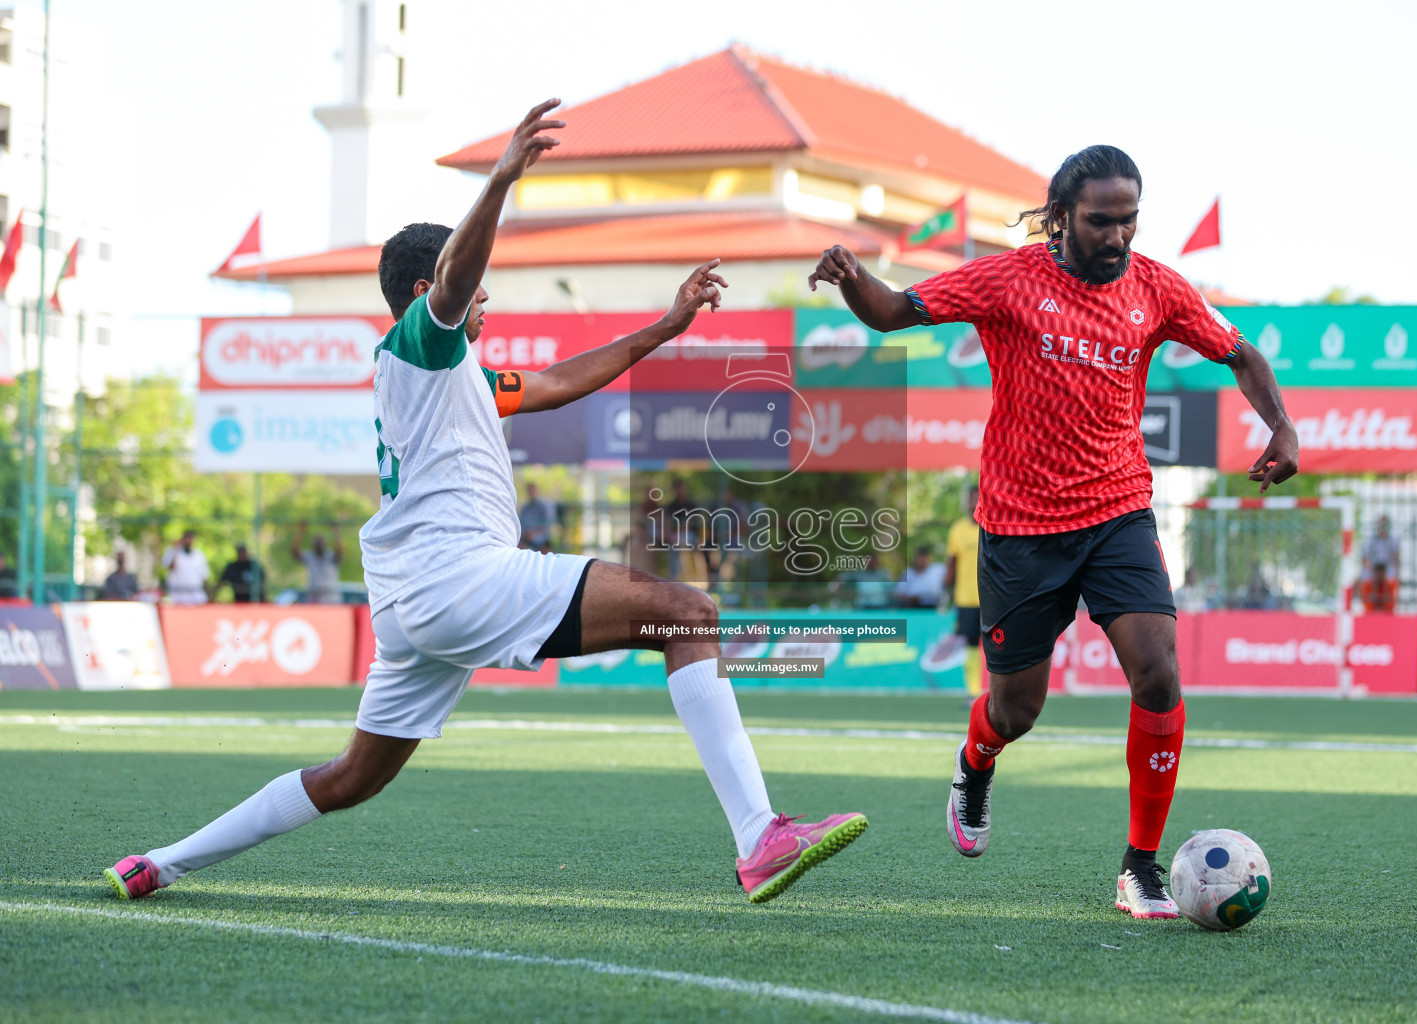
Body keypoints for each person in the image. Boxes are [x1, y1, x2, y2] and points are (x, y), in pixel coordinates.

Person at [106, 100, 863, 908]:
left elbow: (560, 380)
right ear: (436, 291)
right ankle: (758, 837)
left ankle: (160, 861)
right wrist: (501, 178)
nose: (485, 302)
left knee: (351, 777)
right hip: (458, 577)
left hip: (414, 604)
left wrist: (665, 326)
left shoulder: (456, 377)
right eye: (476, 290)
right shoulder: (418, 348)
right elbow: (457, 280)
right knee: (686, 610)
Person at [808, 144, 1298, 920]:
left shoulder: (1159, 288)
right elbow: (895, 311)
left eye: (1129, 220)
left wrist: (1283, 430)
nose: (1118, 237)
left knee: (1159, 674)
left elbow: (1241, 353)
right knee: (1017, 712)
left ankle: (1140, 866)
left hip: (1118, 514)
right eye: (1102, 221)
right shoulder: (1009, 278)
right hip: (1020, 528)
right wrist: (852, 280)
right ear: (1061, 218)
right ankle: (977, 760)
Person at [945, 485, 983, 696]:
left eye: (978, 498)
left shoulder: (993, 526)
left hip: (993, 599)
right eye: (971, 498)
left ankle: (998, 694)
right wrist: (945, 589)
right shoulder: (957, 529)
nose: (974, 502)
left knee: (998, 645)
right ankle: (973, 692)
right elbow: (952, 563)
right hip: (966, 599)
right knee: (970, 644)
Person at [292, 524, 343, 604]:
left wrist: (336, 533)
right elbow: (295, 553)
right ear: (313, 545)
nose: (319, 545)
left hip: (330, 596)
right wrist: (300, 532)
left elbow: (340, 552)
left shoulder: (330, 556)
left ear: (325, 544)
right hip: (314, 595)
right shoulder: (310, 557)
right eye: (317, 543)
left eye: (321, 543)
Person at [162, 531, 210, 606]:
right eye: (186, 537)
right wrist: (176, 549)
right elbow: (170, 567)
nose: (188, 540)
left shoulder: (199, 555)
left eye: (191, 538)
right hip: (177, 594)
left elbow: (204, 576)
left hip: (195, 594)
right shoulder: (172, 551)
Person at [518, 482, 557, 550]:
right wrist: (525, 534)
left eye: (533, 491)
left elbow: (548, 522)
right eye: (529, 491)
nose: (531, 493)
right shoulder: (525, 507)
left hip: (540, 536)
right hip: (525, 536)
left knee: (544, 548)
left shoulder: (545, 506)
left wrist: (534, 533)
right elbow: (520, 522)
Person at [1361, 515, 1400, 581]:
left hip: (1388, 573)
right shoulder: (1370, 540)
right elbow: (1365, 560)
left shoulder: (1393, 541)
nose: (1382, 527)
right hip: (1372, 571)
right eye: (1381, 524)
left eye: (1385, 524)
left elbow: (1396, 560)